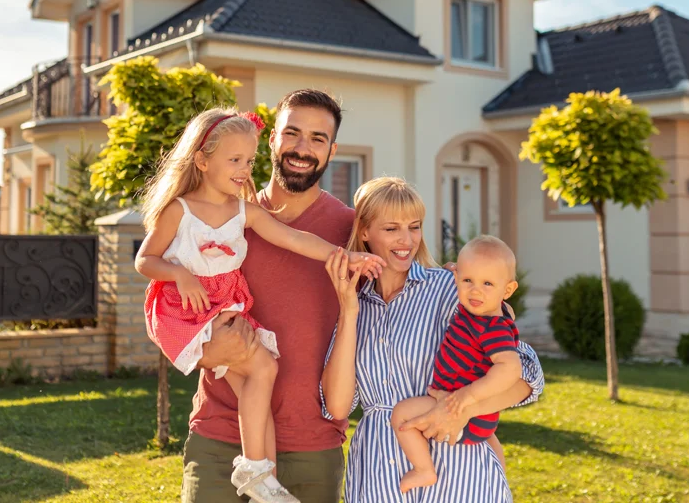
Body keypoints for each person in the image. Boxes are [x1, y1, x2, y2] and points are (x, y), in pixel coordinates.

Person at [135, 106, 383, 503]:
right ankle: (256, 468)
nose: (303, 147)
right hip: (218, 437)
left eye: (317, 138)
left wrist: (466, 286)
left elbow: (404, 268)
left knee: (263, 367)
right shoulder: (193, 212)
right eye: (292, 133)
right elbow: (157, 293)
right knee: (262, 367)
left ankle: (258, 472)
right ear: (273, 139)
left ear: (332, 150)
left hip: (312, 443)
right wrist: (204, 350)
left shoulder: (349, 228)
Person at [320, 177, 545, 503]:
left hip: (456, 473)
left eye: (414, 226)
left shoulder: (451, 289)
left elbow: (528, 374)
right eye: (392, 228)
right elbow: (339, 406)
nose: (406, 240)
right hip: (378, 475)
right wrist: (349, 312)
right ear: (365, 231)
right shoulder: (353, 304)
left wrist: (461, 408)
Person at [391, 235, 523, 493]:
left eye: (487, 283)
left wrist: (467, 397)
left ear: (506, 291)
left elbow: (511, 368)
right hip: (480, 421)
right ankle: (500, 473)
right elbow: (463, 276)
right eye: (468, 281)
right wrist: (452, 270)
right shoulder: (475, 311)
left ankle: (423, 470)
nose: (475, 290)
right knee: (489, 438)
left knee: (401, 415)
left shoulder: (492, 327)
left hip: (458, 406)